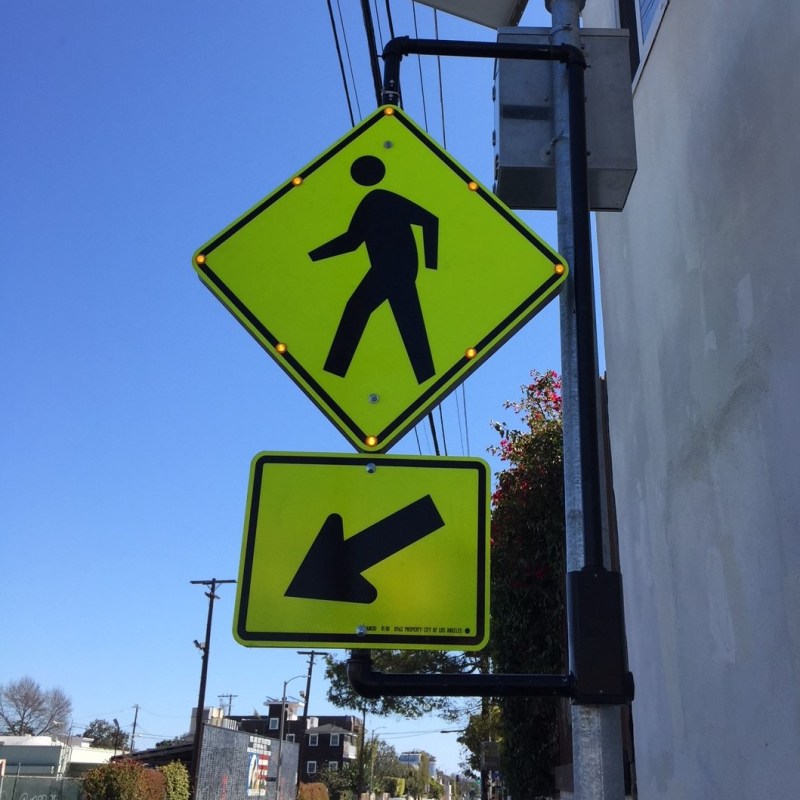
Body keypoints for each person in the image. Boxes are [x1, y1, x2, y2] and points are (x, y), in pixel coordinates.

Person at [309, 154, 439, 384]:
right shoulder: (369, 202)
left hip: (397, 268)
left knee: (362, 310)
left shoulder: (382, 198)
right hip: (385, 269)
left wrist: (432, 265)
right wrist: (313, 256)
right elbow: (351, 241)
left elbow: (430, 220)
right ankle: (426, 376)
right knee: (403, 320)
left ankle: (335, 371)